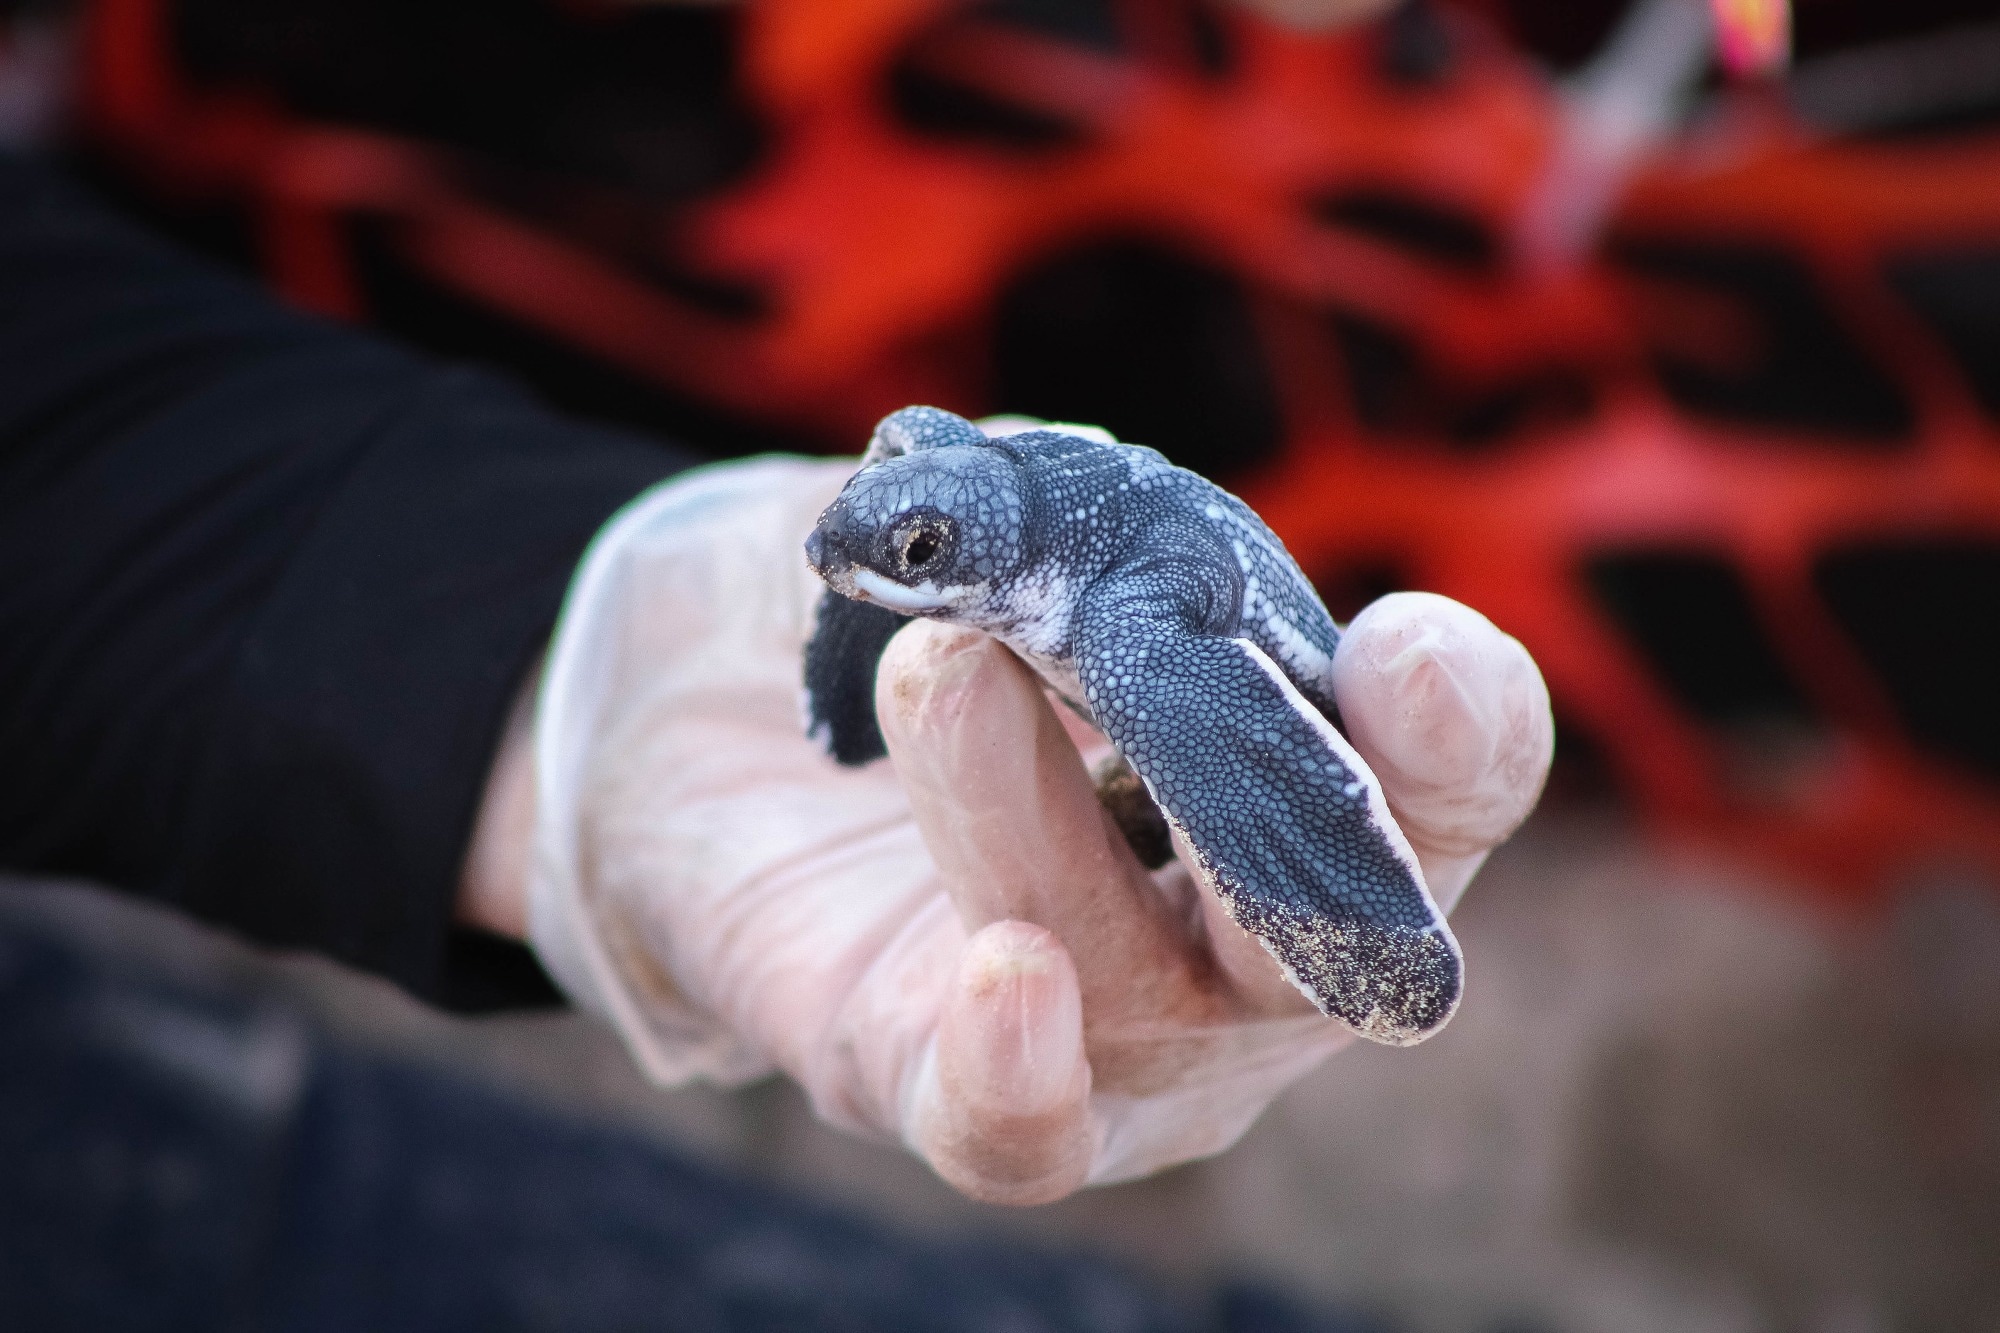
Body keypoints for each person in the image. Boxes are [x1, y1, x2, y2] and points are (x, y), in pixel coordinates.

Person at [0, 147, 1552, 1207]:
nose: (875, 569)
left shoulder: (1125, 616)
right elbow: (888, 516)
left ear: (990, 547)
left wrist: (567, 638)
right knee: (932, 614)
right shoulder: (963, 476)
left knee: (1193, 735)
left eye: (923, 552)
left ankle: (1319, 899)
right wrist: (607, 676)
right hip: (1075, 566)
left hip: (1210, 617)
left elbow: (1088, 602)